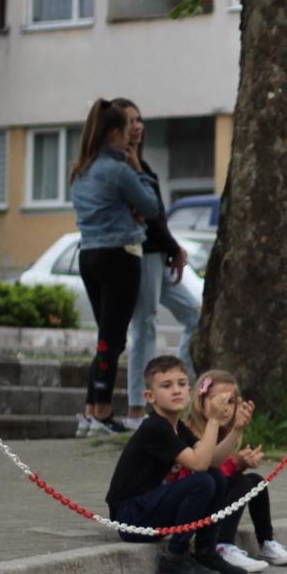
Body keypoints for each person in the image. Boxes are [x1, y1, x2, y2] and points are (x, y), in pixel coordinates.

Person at [69, 98, 162, 435]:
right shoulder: (119, 170)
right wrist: (139, 172)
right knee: (113, 338)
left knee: (105, 337)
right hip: (120, 255)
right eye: (125, 131)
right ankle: (103, 413)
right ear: (113, 133)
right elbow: (151, 207)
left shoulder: (81, 169)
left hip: (89, 254)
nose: (129, 138)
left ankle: (91, 410)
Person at [105, 355, 242, 574]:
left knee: (216, 477)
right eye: (166, 386)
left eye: (181, 383)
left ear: (189, 389)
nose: (176, 390)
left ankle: (206, 551)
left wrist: (235, 429)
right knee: (202, 481)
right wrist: (213, 421)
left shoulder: (176, 426)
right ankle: (175, 558)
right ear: (150, 397)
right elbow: (198, 464)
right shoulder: (155, 427)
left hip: (149, 507)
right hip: (131, 518)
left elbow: (213, 462)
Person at [113, 97, 199, 418]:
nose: (136, 127)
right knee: (145, 326)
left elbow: (157, 215)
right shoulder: (122, 167)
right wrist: (173, 248)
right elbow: (147, 216)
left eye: (139, 120)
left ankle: (184, 389)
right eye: (129, 122)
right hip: (141, 254)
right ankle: (139, 408)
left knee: (194, 314)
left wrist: (173, 249)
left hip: (159, 255)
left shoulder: (142, 165)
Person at [177, 369, 287, 572]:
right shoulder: (190, 430)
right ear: (201, 401)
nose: (225, 408)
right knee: (241, 482)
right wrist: (235, 464)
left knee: (255, 481)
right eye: (218, 400)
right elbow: (201, 472)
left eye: (231, 402)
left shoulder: (222, 430)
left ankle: (266, 542)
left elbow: (219, 467)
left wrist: (241, 458)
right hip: (189, 503)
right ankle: (222, 544)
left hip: (208, 497)